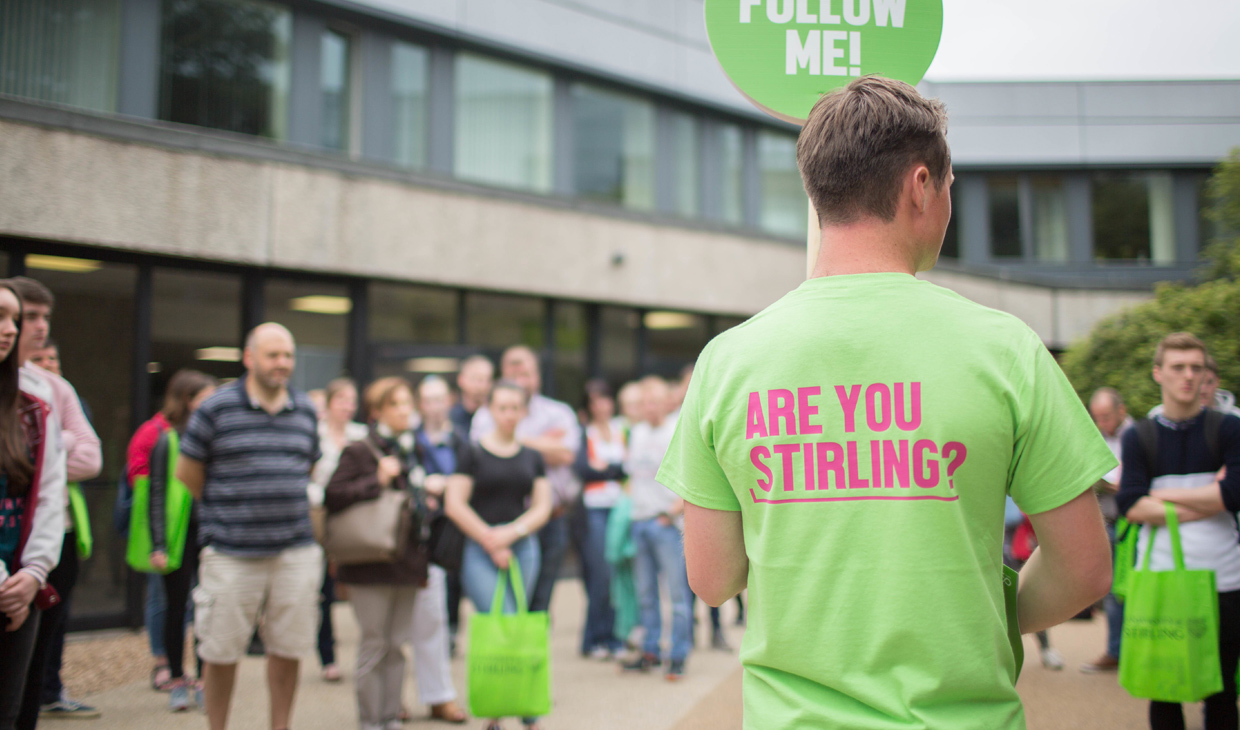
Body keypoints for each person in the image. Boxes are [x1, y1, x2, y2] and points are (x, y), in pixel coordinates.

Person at [657, 77, 1114, 728]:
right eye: (951, 189)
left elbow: (712, 578)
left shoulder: (727, 360)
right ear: (920, 186)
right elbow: (1085, 568)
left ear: (818, 191)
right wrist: (975, 610)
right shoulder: (1004, 348)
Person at [176, 323, 324, 730]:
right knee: (221, 651)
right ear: (249, 358)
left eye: (288, 356)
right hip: (230, 551)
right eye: (273, 355)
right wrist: (234, 506)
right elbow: (188, 472)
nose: (282, 364)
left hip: (294, 550)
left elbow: (308, 467)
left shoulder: (306, 409)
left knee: (288, 647)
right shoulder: (216, 408)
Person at [1117, 333, 1240, 730]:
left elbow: (1234, 493)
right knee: (1164, 688)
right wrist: (1209, 497)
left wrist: (1162, 496)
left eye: (1196, 368)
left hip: (1226, 579)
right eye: (1178, 367)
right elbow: (1131, 505)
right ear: (1158, 373)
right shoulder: (1140, 435)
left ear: (1206, 374)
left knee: (1221, 694)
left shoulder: (1228, 429)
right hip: (1163, 578)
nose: (1188, 376)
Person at [325, 377, 463, 730]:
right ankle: (371, 721)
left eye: (407, 403)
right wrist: (378, 481)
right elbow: (334, 496)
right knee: (374, 644)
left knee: (397, 645)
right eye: (396, 404)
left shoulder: (410, 447)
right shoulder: (362, 449)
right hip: (372, 563)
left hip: (408, 561)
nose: (406, 411)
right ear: (377, 411)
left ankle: (390, 718)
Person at [7, 277, 102, 727]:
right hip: (12, 545)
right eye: (27, 316)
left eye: (44, 317)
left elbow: (92, 456)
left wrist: (46, 446)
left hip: (46, 545)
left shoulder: (48, 392)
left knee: (33, 659)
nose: (35, 326)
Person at [447, 381, 553, 730]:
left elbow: (542, 507)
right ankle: (498, 709)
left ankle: (526, 709)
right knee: (502, 619)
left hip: (523, 547)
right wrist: (490, 540)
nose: (509, 414)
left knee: (520, 621)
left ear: (524, 412)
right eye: (502, 407)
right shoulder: (472, 451)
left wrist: (513, 533)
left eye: (515, 408)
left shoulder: (532, 455)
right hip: (480, 548)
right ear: (491, 410)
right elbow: (455, 503)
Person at [128, 370, 218, 711]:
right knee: (175, 608)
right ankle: (178, 678)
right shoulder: (168, 440)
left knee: (207, 611)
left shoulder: (217, 440)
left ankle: (205, 680)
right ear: (188, 401)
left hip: (209, 537)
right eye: (206, 397)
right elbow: (155, 492)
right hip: (177, 538)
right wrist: (158, 544)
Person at [471, 347, 579, 613]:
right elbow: (482, 454)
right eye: (514, 373)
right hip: (501, 524)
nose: (521, 381)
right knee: (503, 603)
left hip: (550, 518)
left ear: (538, 376)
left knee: (540, 601)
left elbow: (565, 454)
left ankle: (533, 655)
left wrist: (510, 440)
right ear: (503, 376)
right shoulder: (484, 415)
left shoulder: (559, 412)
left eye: (527, 373)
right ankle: (507, 655)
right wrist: (544, 443)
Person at [0, 282, 64, 730]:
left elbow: (48, 493)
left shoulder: (34, 409)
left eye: (13, 319)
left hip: (19, 587)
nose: (10, 330)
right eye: (0, 317)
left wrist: (32, 574)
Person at [619, 376, 693, 681]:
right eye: (644, 402)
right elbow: (632, 475)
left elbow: (692, 475)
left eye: (654, 401)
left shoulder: (677, 430)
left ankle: (677, 655)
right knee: (646, 594)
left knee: (677, 595)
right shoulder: (634, 433)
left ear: (667, 402)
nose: (648, 407)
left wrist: (672, 512)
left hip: (666, 523)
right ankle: (650, 650)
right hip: (640, 521)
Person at [409, 374, 468, 723]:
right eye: (427, 399)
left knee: (437, 618)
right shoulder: (408, 440)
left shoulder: (460, 440)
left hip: (448, 539)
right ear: (421, 404)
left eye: (440, 398)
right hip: (410, 539)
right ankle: (395, 699)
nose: (434, 406)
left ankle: (438, 698)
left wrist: (446, 486)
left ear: (449, 401)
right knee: (399, 626)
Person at [309, 377, 367, 684]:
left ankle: (366, 659)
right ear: (329, 403)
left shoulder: (362, 436)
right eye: (341, 399)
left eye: (351, 400)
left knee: (358, 585)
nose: (347, 406)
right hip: (320, 517)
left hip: (352, 518)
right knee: (323, 591)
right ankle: (327, 656)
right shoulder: (314, 435)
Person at [1081, 387, 1134, 674]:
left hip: (1137, 525)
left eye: (1106, 417)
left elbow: (1132, 481)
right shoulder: (1096, 438)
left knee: (1136, 589)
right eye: (1097, 417)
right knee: (1113, 591)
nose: (1101, 423)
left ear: (1121, 411)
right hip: (1110, 521)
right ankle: (1115, 652)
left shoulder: (1138, 436)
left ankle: (1139, 651)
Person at [574, 379, 626, 659]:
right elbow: (582, 469)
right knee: (600, 574)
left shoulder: (622, 429)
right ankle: (594, 638)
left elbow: (628, 467)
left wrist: (606, 469)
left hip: (620, 509)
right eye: (594, 402)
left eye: (604, 399)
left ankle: (614, 636)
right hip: (594, 510)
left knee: (618, 574)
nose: (601, 406)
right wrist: (612, 471)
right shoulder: (585, 433)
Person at [450, 355, 494, 436]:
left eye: (486, 379)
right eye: (475, 378)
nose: (481, 385)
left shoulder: (496, 418)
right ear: (461, 380)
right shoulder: (450, 418)